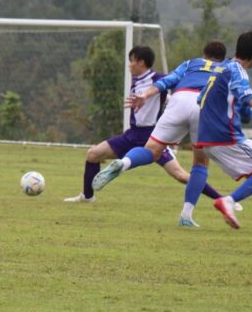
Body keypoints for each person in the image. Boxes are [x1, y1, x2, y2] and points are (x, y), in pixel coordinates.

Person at [92, 42, 235, 227]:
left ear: (204, 55)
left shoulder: (191, 63)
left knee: (152, 150)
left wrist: (145, 95)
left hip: (180, 100)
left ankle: (124, 163)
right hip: (204, 104)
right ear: (221, 58)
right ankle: (186, 215)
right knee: (200, 163)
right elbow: (235, 97)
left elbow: (167, 81)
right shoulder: (228, 68)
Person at [64, 46, 221, 205]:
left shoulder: (158, 79)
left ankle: (223, 200)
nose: (129, 65)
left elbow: (181, 87)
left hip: (152, 139)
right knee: (93, 154)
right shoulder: (136, 80)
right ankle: (88, 197)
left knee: (181, 176)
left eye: (131, 61)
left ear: (141, 62)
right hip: (131, 135)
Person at [188, 31, 252, 233]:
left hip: (207, 139)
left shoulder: (222, 68)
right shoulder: (238, 70)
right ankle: (228, 201)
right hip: (225, 137)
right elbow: (246, 95)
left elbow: (201, 99)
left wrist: (239, 110)